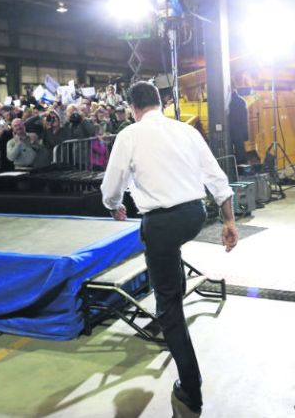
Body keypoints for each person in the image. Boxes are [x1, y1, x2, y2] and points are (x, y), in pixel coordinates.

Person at [101, 81, 238, 418]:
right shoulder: (185, 131)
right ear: (161, 102)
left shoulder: (129, 135)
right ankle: (174, 284)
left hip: (161, 223)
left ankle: (190, 391)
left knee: (168, 307)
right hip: (195, 215)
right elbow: (216, 176)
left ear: (133, 109)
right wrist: (230, 222)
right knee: (169, 253)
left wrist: (114, 205)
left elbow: (112, 183)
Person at [228, 89, 249, 164]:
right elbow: (244, 120)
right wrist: (245, 135)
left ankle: (232, 169)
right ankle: (241, 170)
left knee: (228, 152)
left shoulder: (226, 101)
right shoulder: (242, 101)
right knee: (240, 152)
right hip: (239, 131)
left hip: (228, 131)